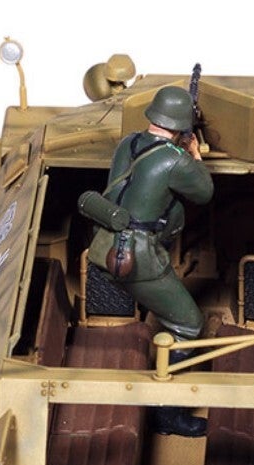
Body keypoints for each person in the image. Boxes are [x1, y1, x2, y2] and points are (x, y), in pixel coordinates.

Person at [87, 85, 214, 436]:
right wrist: (193, 153)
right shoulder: (175, 160)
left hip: (105, 246)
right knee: (189, 325)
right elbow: (205, 192)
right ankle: (167, 415)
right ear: (182, 125)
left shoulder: (127, 143)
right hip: (138, 257)